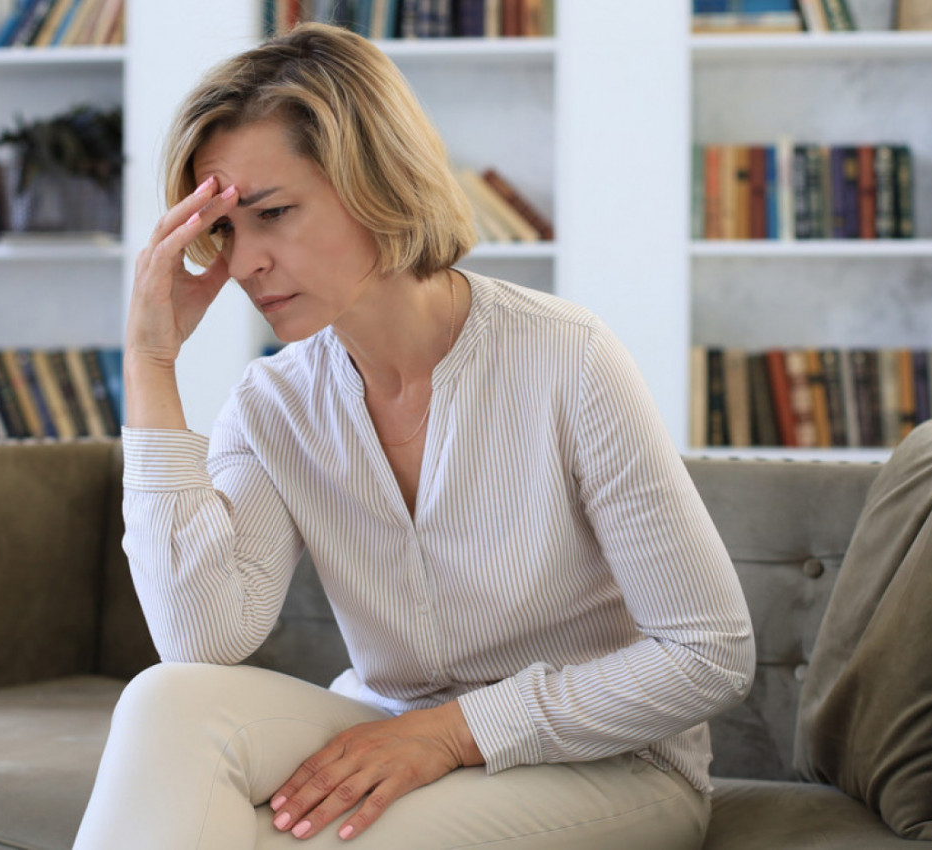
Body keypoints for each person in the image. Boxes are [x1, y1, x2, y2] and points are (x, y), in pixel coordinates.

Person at [73, 21, 755, 850]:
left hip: (611, 764)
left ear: (376, 182)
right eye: (221, 233)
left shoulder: (566, 358)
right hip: (383, 723)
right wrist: (150, 360)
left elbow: (708, 653)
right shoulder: (272, 401)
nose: (243, 262)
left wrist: (450, 733)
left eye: (273, 214)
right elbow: (201, 638)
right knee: (164, 700)